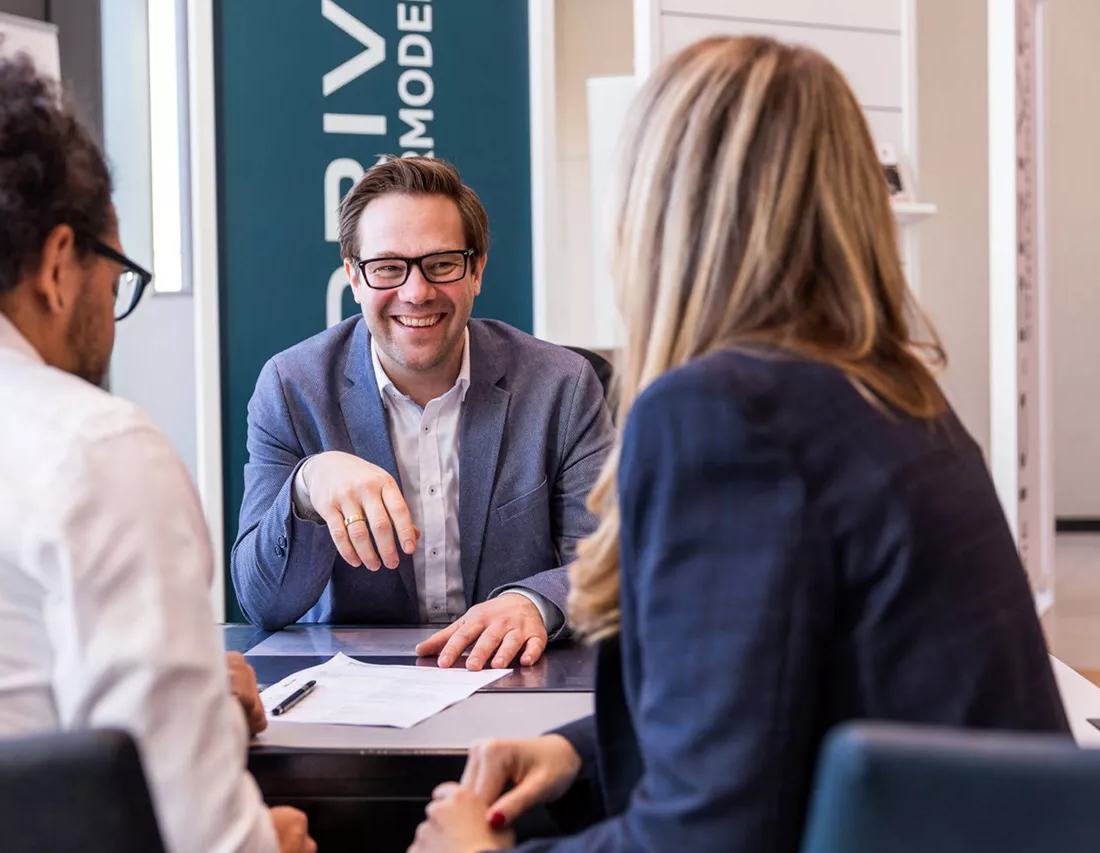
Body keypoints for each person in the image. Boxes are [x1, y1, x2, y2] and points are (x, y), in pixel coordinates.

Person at [410, 35, 1071, 853]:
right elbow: (778, 707)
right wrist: (576, 752)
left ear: (664, 211)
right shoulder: (888, 388)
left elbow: (712, 835)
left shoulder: (723, 415)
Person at [0, 59, 313, 853]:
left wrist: (199, 698)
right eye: (114, 277)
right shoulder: (96, 446)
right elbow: (200, 837)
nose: (112, 319)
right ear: (58, 264)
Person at [231, 157, 614, 670]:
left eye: (441, 264)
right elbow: (262, 603)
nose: (416, 292)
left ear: (475, 271)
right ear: (353, 276)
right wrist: (306, 487)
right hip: (356, 699)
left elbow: (608, 561)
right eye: (388, 267)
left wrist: (533, 603)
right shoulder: (290, 388)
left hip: (516, 681)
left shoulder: (561, 386)